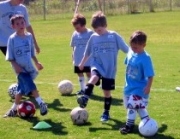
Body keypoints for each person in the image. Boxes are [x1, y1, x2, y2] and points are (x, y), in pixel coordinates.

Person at [77, 11, 129, 122]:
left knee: (106, 93)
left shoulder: (113, 36)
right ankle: (85, 97)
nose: (97, 32)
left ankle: (106, 112)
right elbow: (87, 52)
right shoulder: (93, 37)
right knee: (94, 77)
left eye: (99, 30)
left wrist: (134, 59)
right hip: (97, 64)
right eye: (95, 30)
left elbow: (126, 49)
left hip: (110, 69)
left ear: (105, 26)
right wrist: (81, 63)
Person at [4, 14, 47, 117]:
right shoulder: (12, 39)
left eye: (22, 22)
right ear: (13, 26)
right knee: (31, 85)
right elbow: (10, 56)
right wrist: (16, 66)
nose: (21, 25)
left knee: (21, 90)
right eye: (17, 24)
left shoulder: (29, 36)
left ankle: (13, 110)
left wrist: (36, 62)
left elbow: (32, 52)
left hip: (29, 68)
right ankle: (41, 103)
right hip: (20, 69)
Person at [120, 31, 155, 134]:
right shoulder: (131, 53)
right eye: (132, 46)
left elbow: (150, 75)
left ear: (144, 45)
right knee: (137, 107)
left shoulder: (145, 58)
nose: (133, 49)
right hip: (129, 87)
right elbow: (128, 66)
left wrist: (148, 87)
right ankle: (148, 122)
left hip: (140, 88)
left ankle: (129, 126)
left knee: (132, 106)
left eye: (136, 47)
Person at [70, 13, 93, 95]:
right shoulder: (75, 34)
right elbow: (73, 46)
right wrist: (73, 55)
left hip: (87, 59)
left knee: (88, 73)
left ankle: (90, 89)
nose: (76, 29)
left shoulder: (90, 33)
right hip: (77, 58)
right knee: (79, 73)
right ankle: (82, 89)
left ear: (83, 25)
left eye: (78, 28)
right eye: (75, 28)